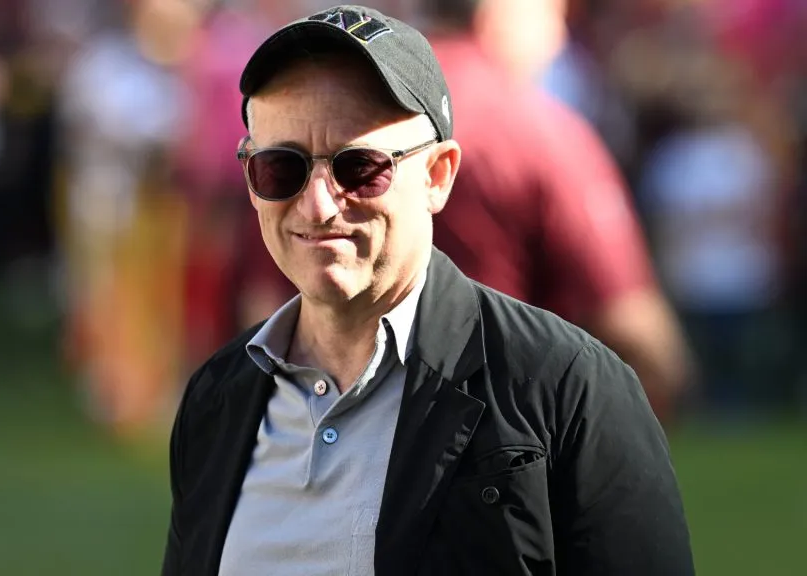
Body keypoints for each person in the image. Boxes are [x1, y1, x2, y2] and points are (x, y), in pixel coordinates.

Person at [161, 5, 693, 576]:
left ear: (438, 175)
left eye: (359, 167)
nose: (317, 205)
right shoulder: (217, 400)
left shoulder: (571, 389)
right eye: (279, 168)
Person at [419, 0, 692, 422]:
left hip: (356, 438)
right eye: (556, 11)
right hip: (507, 435)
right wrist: (671, 376)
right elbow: (630, 322)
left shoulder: (361, 122)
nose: (561, 34)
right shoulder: (541, 130)